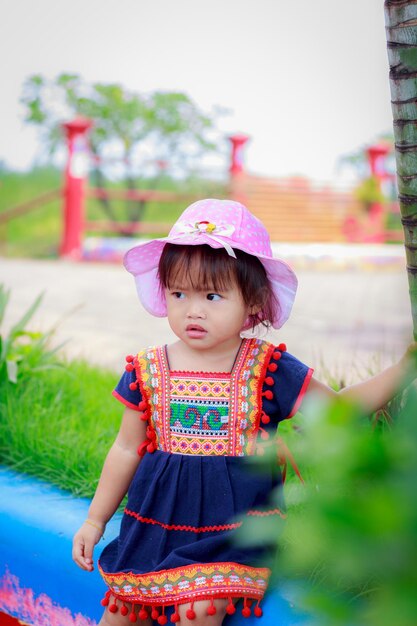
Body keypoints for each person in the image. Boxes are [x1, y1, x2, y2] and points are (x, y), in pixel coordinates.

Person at [72, 199, 416, 626]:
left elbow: (336, 410)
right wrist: (94, 520)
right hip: (154, 528)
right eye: (178, 293)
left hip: (230, 533)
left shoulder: (266, 368)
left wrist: (403, 369)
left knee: (199, 611)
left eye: (212, 295)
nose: (193, 309)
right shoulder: (147, 369)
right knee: (121, 615)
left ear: (252, 301)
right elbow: (126, 449)